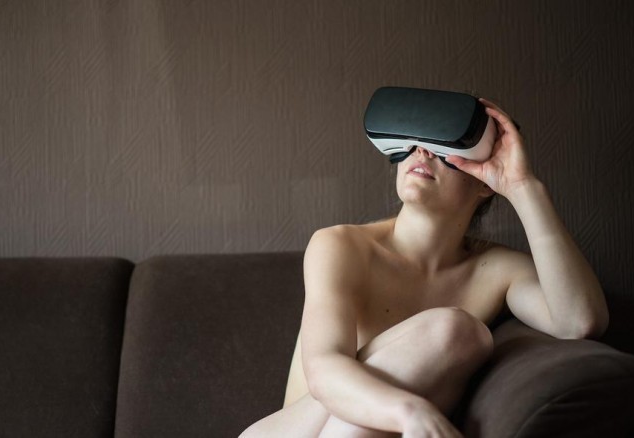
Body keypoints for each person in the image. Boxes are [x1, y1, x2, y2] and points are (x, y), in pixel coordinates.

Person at [240, 97, 609, 437]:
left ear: (484, 182)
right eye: (415, 140)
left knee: (460, 332)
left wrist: (523, 186)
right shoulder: (340, 245)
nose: (423, 150)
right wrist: (410, 412)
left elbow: (578, 322)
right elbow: (323, 371)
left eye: (446, 145)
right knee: (455, 329)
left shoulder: (497, 269)